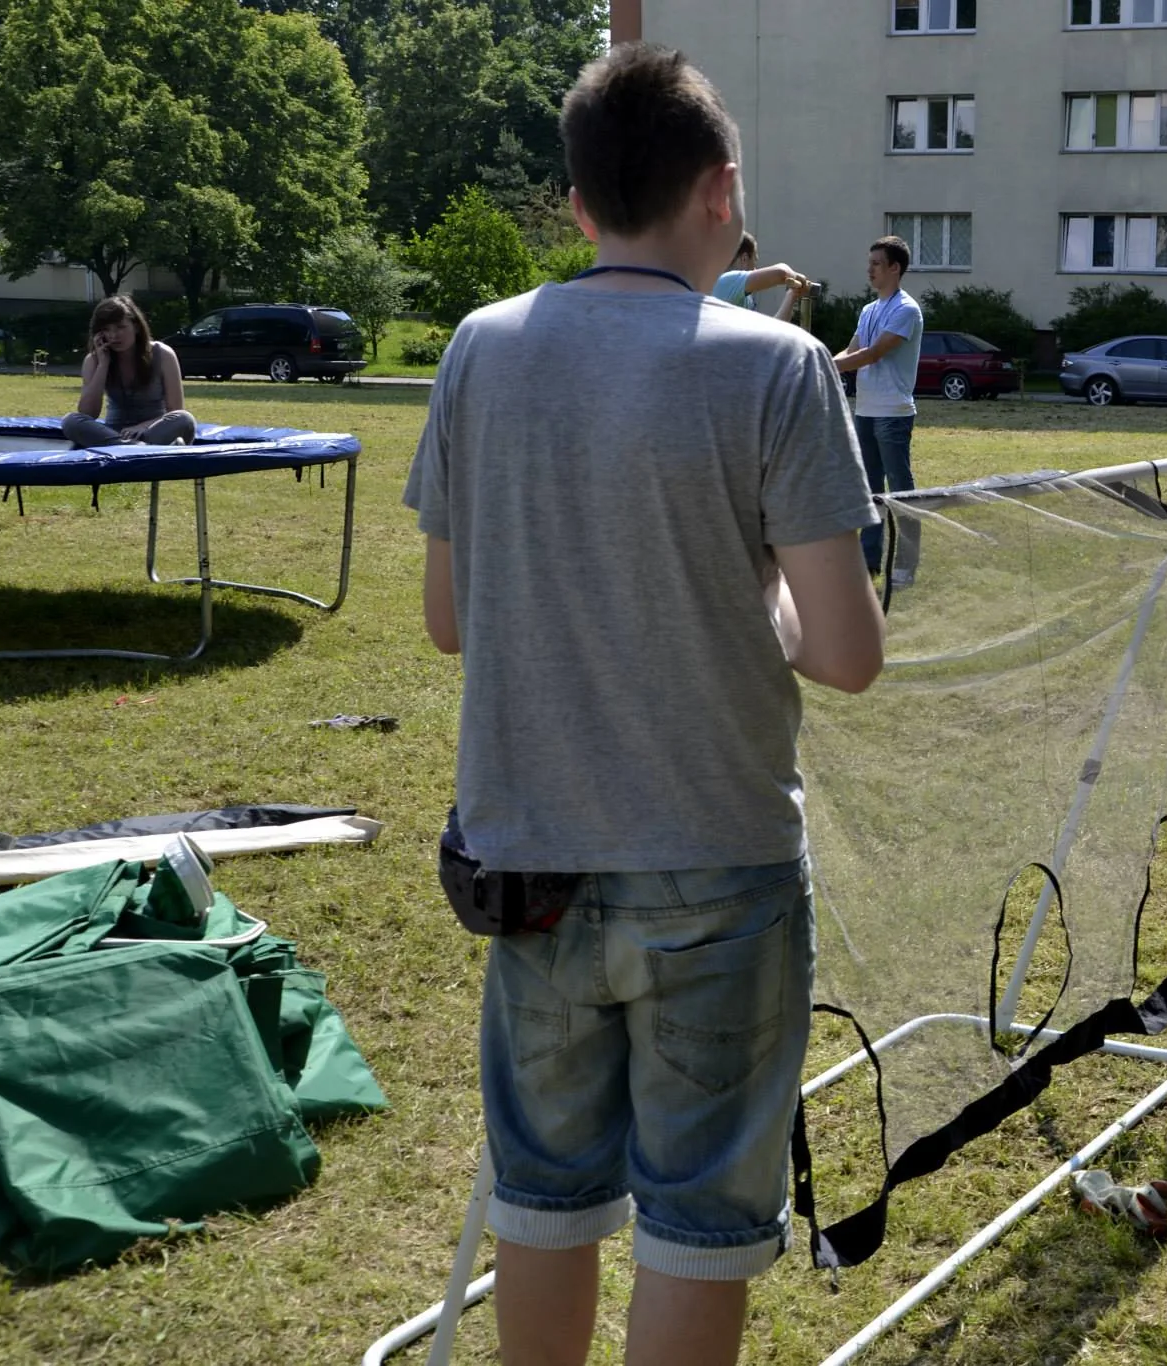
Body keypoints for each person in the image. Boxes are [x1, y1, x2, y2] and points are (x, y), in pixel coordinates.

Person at [403, 43, 884, 1366]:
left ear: (575, 203)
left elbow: (449, 620)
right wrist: (761, 610)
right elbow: (845, 650)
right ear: (722, 190)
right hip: (716, 865)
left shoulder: (478, 349)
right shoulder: (777, 366)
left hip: (527, 860)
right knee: (696, 1221)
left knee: (543, 1198)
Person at [833, 236, 924, 586]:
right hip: (866, 411)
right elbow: (853, 348)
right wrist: (825, 361)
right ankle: (869, 562)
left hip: (894, 412)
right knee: (869, 489)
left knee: (901, 493)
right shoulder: (869, 310)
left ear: (894, 268)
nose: (868, 269)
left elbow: (873, 354)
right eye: (869, 262)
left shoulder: (906, 309)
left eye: (875, 263)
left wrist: (826, 365)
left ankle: (905, 567)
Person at [63, 296, 196, 447]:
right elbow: (88, 413)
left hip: (152, 430)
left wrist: (142, 427)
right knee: (71, 421)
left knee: (185, 419)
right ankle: (135, 449)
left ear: (136, 327)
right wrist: (103, 365)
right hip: (112, 434)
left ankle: (131, 449)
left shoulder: (163, 354)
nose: (114, 336)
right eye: (107, 330)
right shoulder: (94, 360)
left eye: (120, 327)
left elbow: (176, 410)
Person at [711, 231, 810, 322]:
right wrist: (797, 276)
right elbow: (781, 272)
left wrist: (792, 295)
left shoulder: (743, 297)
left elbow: (773, 331)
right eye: (754, 262)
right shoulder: (725, 281)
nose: (755, 270)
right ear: (744, 259)